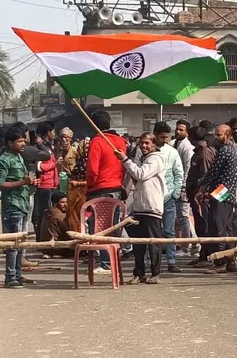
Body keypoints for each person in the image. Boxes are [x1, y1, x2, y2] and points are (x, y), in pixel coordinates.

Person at [117, 132, 166, 284]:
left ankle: (155, 273)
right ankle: (139, 273)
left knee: (153, 243)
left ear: (153, 144)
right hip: (140, 207)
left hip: (151, 207)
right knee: (138, 243)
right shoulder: (144, 159)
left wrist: (125, 160)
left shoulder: (156, 159)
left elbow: (142, 174)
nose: (143, 146)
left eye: (147, 143)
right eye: (141, 143)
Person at [85, 111, 129, 271]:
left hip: (100, 190)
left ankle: (106, 263)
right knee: (114, 227)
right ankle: (112, 260)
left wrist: (89, 186)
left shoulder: (97, 141)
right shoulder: (121, 141)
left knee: (101, 227)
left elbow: (92, 170)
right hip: (116, 188)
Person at [0, 127, 36, 289]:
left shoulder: (19, 157)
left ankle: (18, 274)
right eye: (19, 141)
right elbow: (0, 184)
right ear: (10, 142)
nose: (23, 143)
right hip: (12, 205)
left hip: (23, 203)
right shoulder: (4, 160)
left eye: (23, 140)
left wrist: (30, 182)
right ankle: (10, 276)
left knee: (21, 243)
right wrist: (22, 183)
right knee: (13, 243)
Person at [199, 124, 237, 273]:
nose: (216, 138)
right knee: (227, 228)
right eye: (216, 135)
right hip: (225, 191)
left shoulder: (225, 150)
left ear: (227, 135)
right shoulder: (229, 150)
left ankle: (221, 261)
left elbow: (213, 171)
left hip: (221, 191)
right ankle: (230, 261)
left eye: (219, 135)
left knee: (218, 226)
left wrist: (202, 187)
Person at [153, 122, 185, 273]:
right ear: (155, 135)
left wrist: (175, 193)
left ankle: (171, 261)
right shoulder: (146, 150)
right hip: (152, 197)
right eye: (162, 137)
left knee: (169, 231)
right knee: (153, 232)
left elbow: (179, 173)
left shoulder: (172, 152)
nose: (165, 140)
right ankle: (153, 262)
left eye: (167, 137)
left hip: (168, 197)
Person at [187, 125, 216, 267]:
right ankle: (203, 254)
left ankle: (207, 256)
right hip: (196, 195)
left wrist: (199, 193)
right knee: (200, 226)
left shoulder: (204, 153)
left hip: (202, 197)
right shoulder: (198, 153)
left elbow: (206, 177)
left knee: (204, 227)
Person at [31, 122, 59, 239]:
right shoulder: (41, 147)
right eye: (53, 131)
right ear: (48, 132)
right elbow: (39, 166)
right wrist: (54, 164)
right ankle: (42, 239)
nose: (54, 133)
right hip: (44, 184)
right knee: (45, 213)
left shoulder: (48, 146)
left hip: (51, 183)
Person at [173, 120, 197, 253]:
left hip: (183, 186)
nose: (178, 132)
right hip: (177, 185)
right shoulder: (177, 143)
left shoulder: (187, 147)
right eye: (177, 129)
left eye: (181, 130)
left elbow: (187, 167)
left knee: (183, 217)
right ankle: (194, 242)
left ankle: (186, 247)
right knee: (183, 216)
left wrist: (183, 186)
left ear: (187, 132)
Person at [64, 137, 90, 234]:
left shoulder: (90, 162)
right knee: (74, 217)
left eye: (88, 148)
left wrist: (78, 183)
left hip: (85, 194)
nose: (86, 150)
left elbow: (92, 181)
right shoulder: (79, 161)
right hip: (75, 193)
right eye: (85, 148)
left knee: (83, 218)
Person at [41, 192, 74, 258]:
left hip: (45, 248)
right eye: (62, 202)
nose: (66, 204)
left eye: (66, 202)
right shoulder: (60, 216)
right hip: (58, 248)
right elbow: (69, 232)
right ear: (55, 204)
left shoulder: (47, 212)